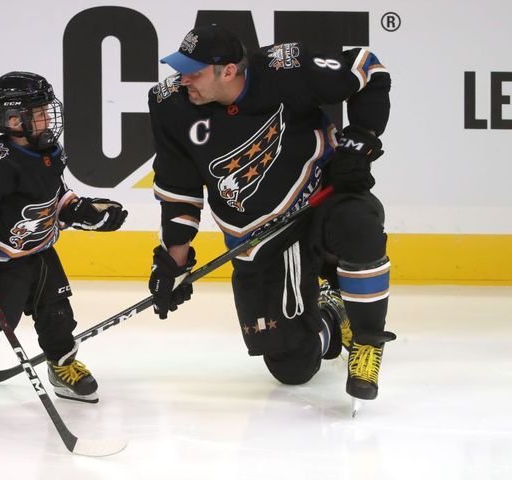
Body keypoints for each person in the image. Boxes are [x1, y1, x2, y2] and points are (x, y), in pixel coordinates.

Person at [147, 24, 396, 407]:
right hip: (261, 237)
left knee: (359, 227)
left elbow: (367, 67)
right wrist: (173, 259)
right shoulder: (170, 104)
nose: (183, 80)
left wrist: (359, 140)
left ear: (227, 71)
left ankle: (366, 342)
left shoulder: (287, 69)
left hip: (321, 197)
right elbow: (179, 186)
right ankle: (332, 313)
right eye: (181, 70)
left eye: (193, 72)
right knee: (292, 369)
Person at [0, 71, 128, 423]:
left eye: (45, 109)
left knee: (57, 315)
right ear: (13, 120)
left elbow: (54, 195)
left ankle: (61, 367)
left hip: (42, 255)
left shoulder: (48, 150)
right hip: (2, 261)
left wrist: (83, 212)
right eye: (38, 112)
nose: (47, 117)